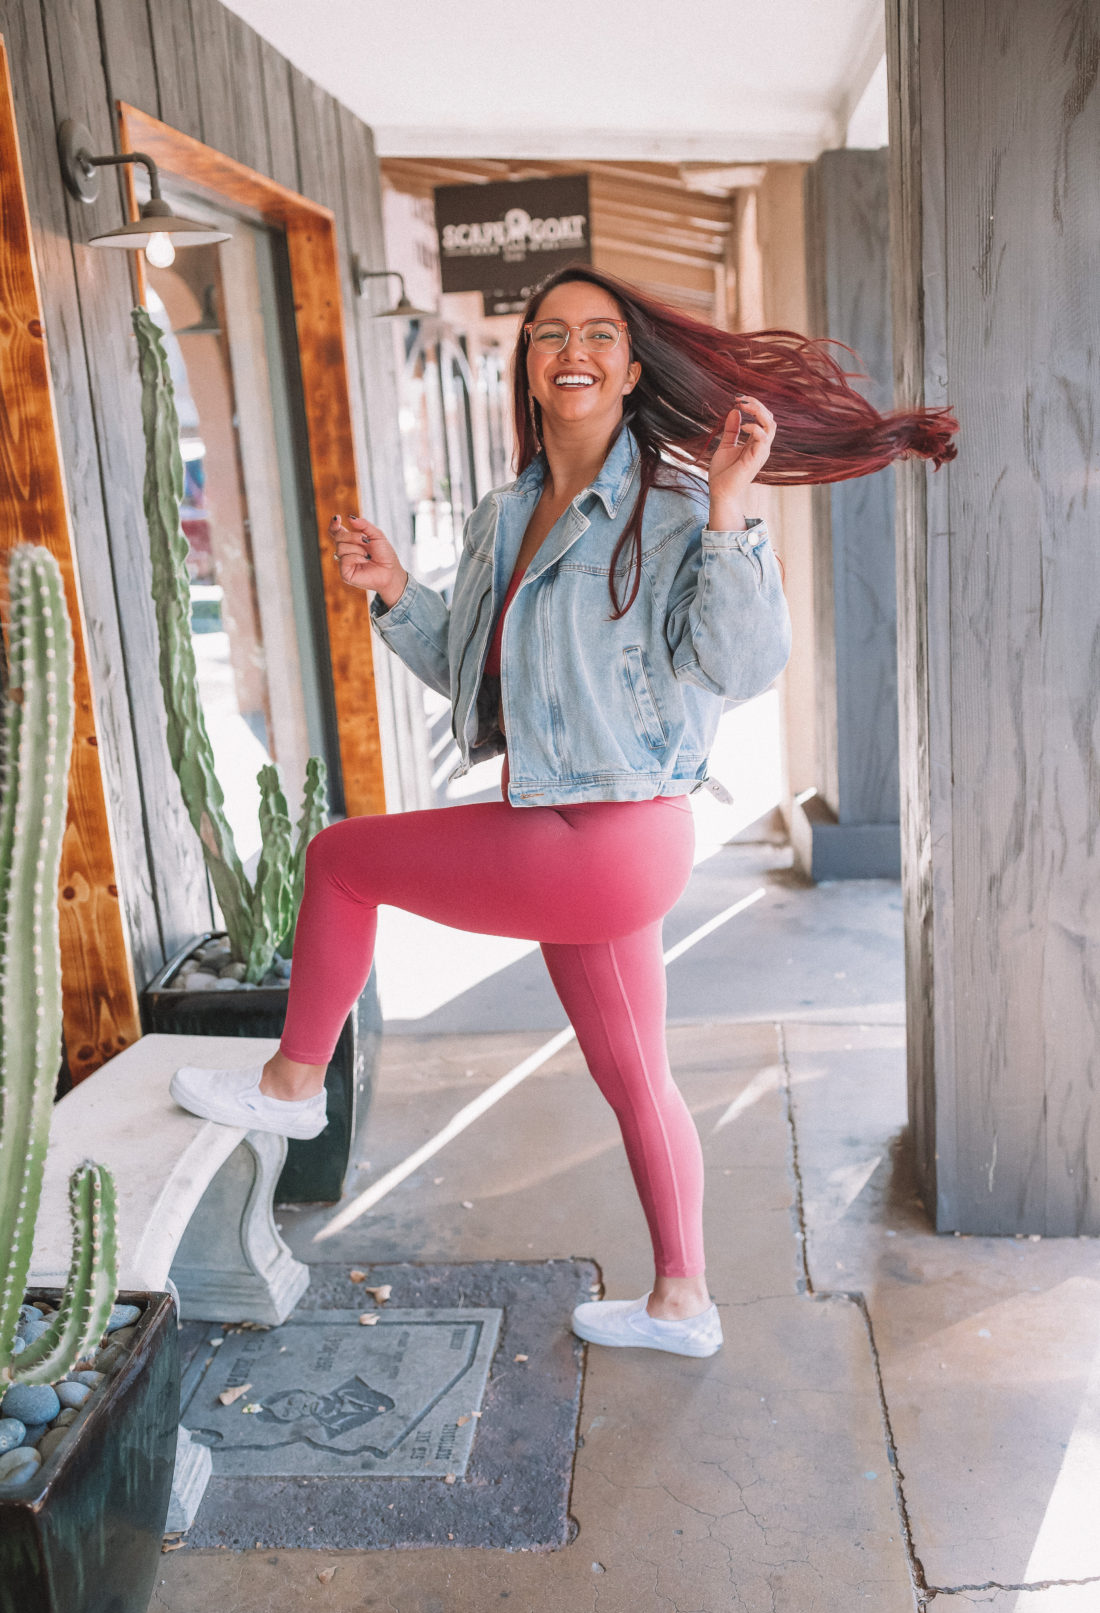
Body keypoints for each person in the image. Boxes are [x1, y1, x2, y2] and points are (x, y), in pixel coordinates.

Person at [171, 264, 957, 1359]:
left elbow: (737, 663)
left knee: (341, 859)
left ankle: (293, 1086)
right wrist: (398, 591)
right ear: (528, 368)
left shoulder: (679, 503)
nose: (571, 350)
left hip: (612, 836)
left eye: (597, 334)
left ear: (631, 369)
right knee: (635, 1075)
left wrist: (733, 504)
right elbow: (471, 674)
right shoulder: (508, 511)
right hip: (579, 834)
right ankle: (683, 1302)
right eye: (548, 335)